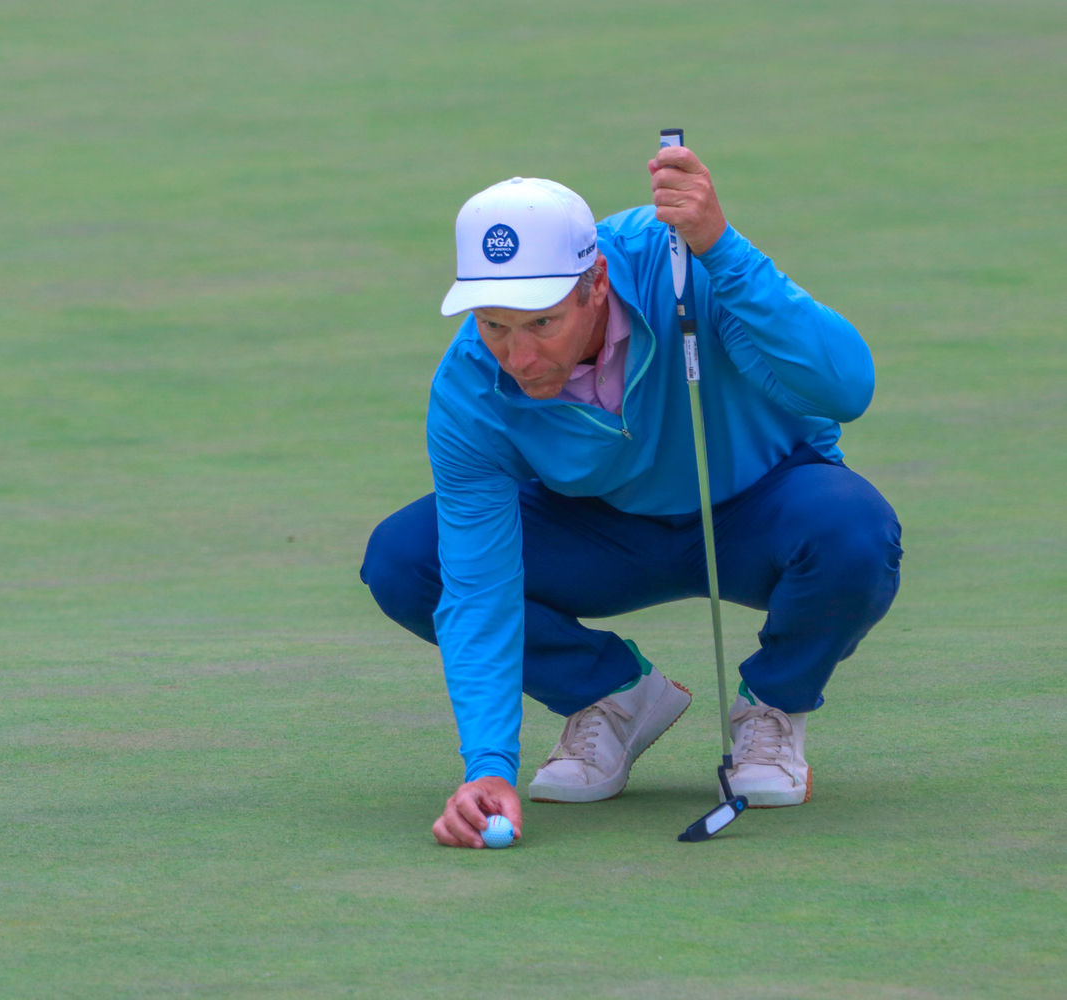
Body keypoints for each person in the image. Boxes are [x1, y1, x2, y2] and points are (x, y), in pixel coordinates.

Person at [360, 145, 902, 848]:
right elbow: (478, 583)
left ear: (596, 282)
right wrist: (488, 764)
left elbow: (847, 388)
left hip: (756, 513)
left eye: (541, 324)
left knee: (852, 527)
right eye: (494, 325)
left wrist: (723, 253)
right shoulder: (470, 385)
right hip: (600, 535)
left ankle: (773, 708)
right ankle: (611, 696)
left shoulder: (686, 266)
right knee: (408, 560)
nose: (516, 357)